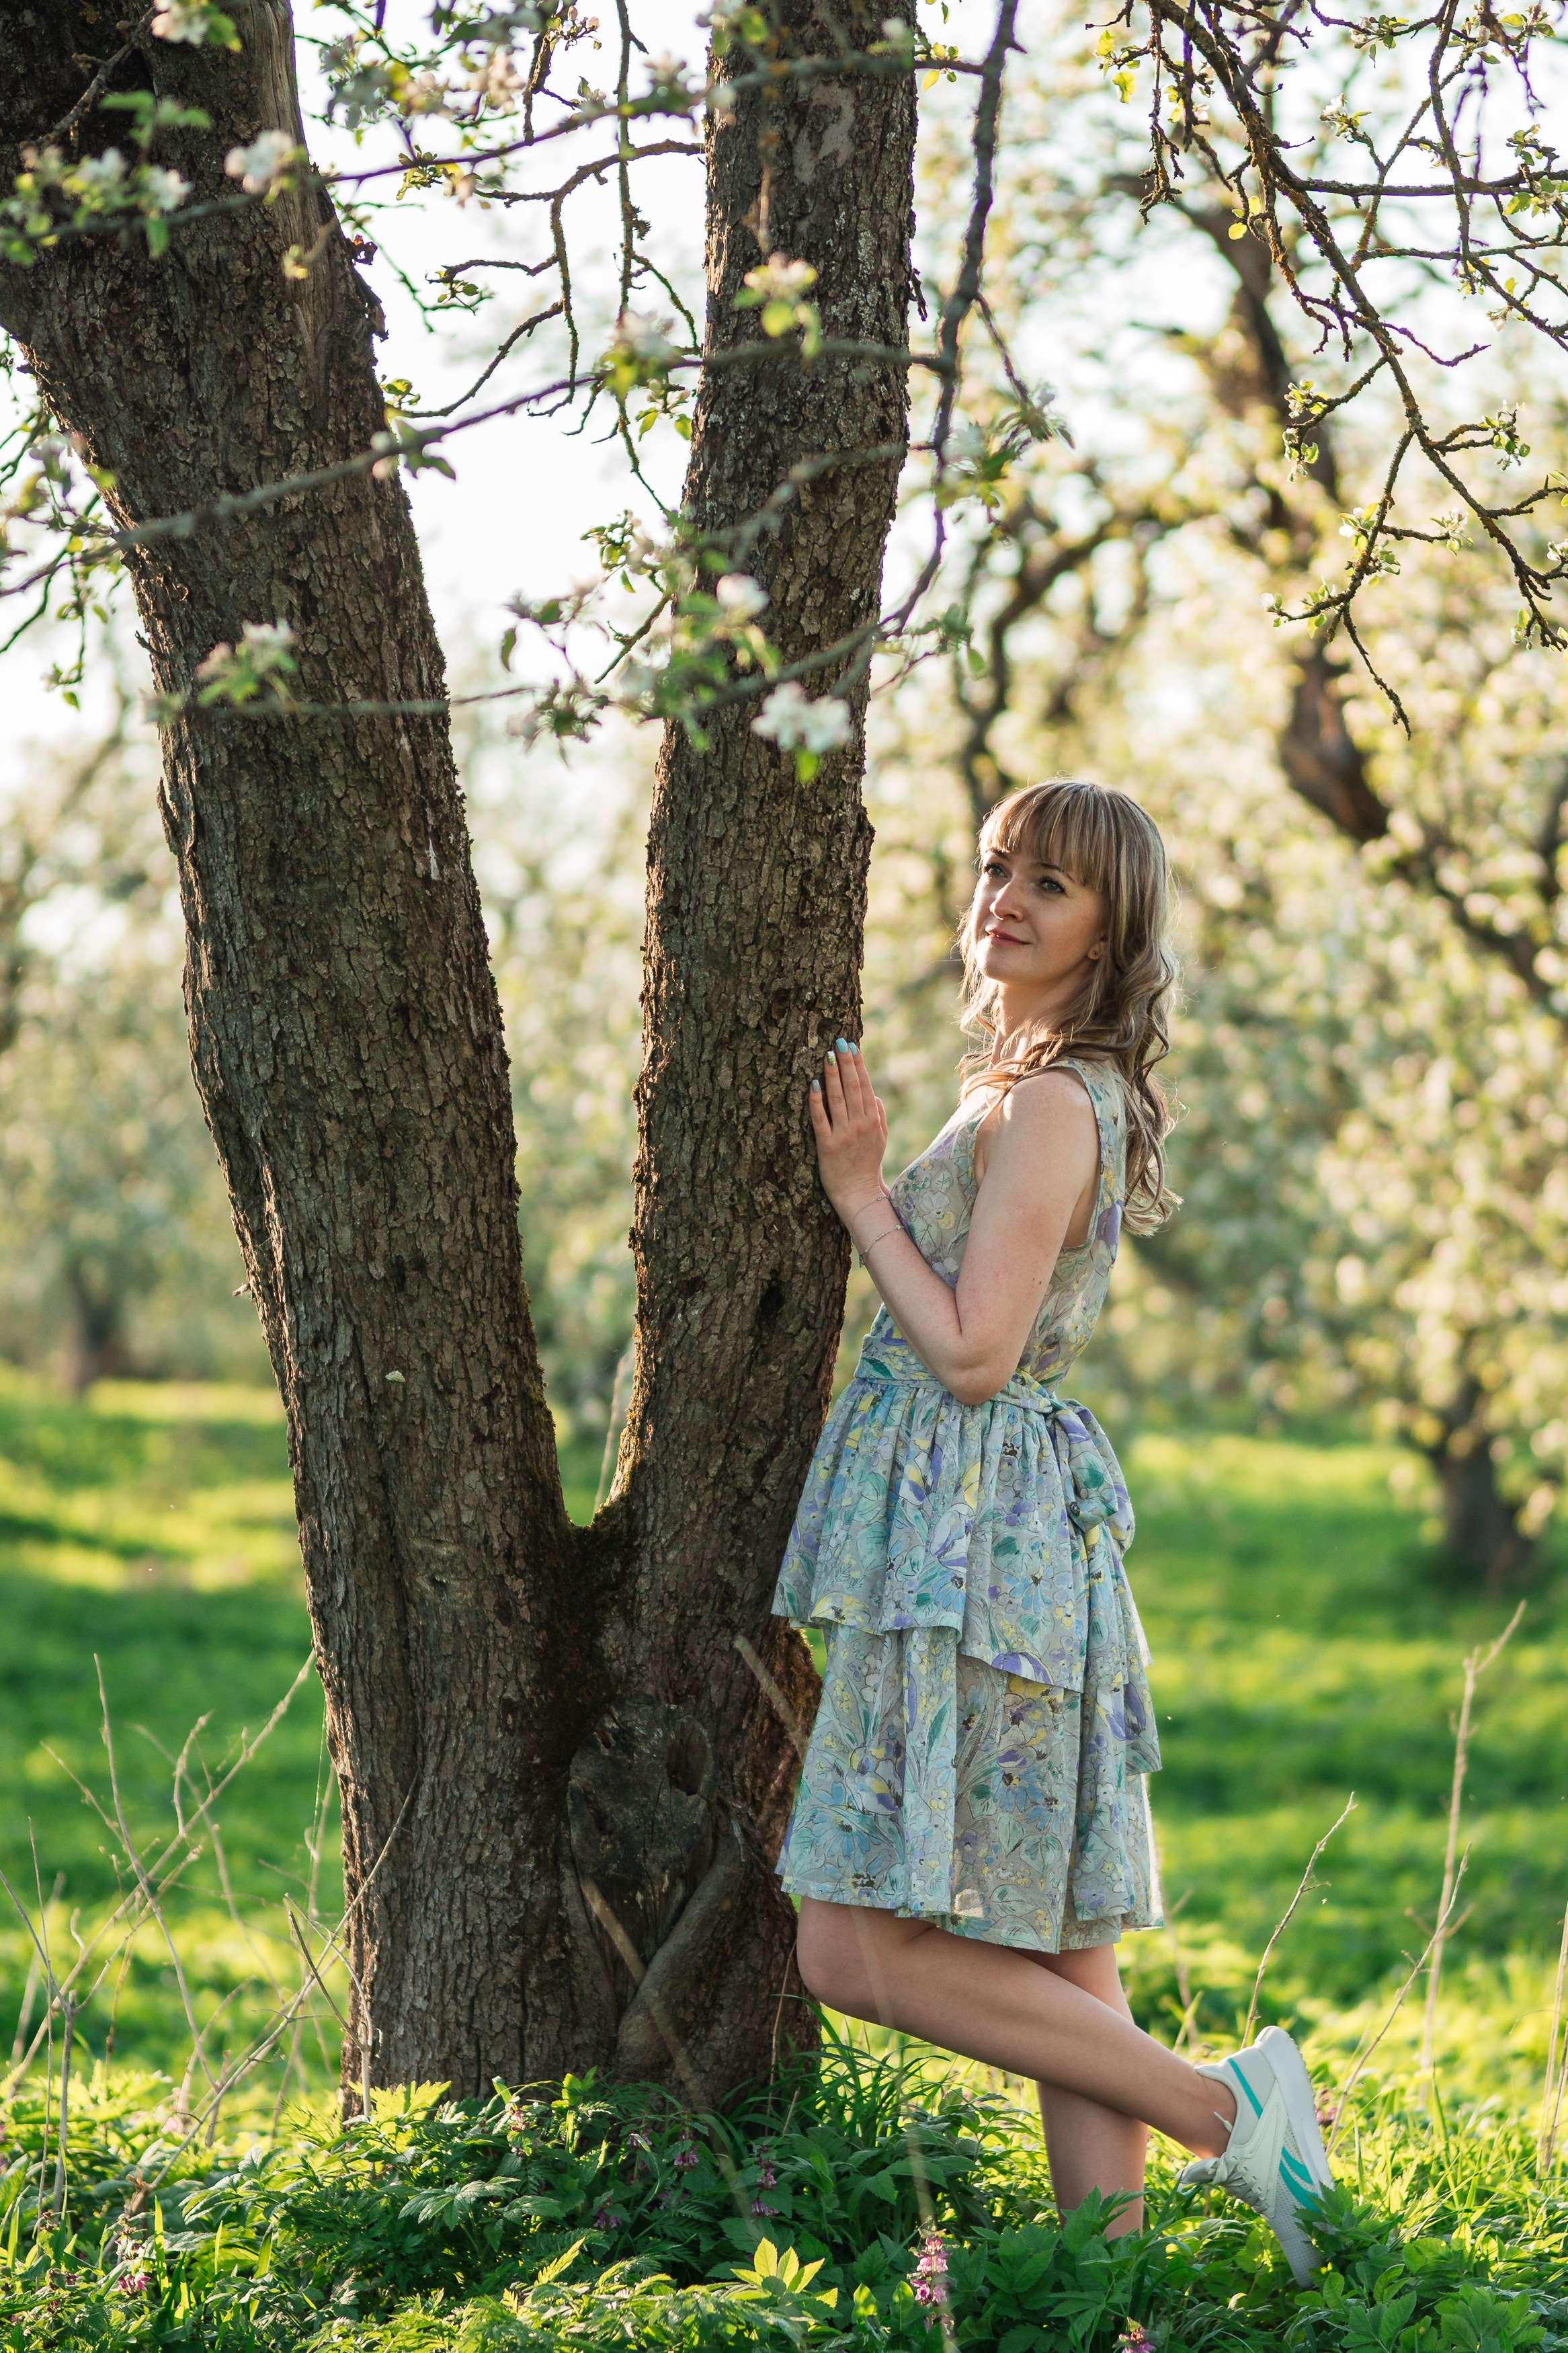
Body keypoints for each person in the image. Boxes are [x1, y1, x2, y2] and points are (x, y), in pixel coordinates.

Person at [770, 779, 1332, 2282]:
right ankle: (1114, 2305)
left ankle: (1232, 2111)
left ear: (1113, 929)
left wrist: (856, 1194)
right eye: (1000, 865)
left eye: (1056, 885)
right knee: (1065, 1954)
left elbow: (972, 1350)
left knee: (847, 1949)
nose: (1008, 896)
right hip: (1007, 1540)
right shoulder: (1043, 1084)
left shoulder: (1041, 1102)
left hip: (975, 1547)